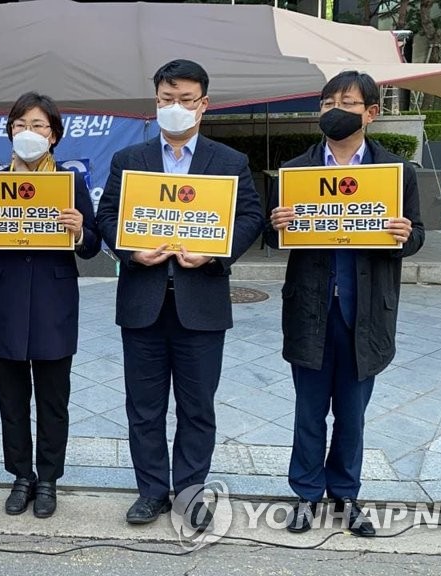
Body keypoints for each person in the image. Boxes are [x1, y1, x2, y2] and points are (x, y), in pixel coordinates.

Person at [96, 59, 263, 527]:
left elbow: (250, 217)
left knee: (197, 407)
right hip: (143, 301)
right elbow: (108, 216)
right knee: (143, 408)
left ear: (203, 105)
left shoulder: (230, 162)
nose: (175, 108)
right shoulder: (129, 161)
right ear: (156, 103)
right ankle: (150, 491)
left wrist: (215, 254)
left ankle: (190, 492)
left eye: (185, 100)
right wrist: (131, 252)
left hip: (202, 303)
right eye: (166, 100)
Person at [267, 71, 423, 536]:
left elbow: (416, 236)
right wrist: (277, 223)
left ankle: (346, 494)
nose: (335, 108)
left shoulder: (396, 174)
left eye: (348, 102)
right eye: (327, 101)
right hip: (311, 309)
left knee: (352, 413)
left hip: (366, 312)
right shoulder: (296, 171)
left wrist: (405, 235)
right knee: (309, 410)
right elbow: (273, 238)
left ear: (371, 113)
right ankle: (306, 493)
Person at [0, 92, 101, 518]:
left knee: (54, 399)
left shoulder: (70, 184)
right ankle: (21, 475)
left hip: (55, 301)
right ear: (9, 133)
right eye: (20, 125)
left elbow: (92, 246)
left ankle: (49, 478)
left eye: (38, 126)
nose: (28, 133)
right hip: (4, 299)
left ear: (54, 135)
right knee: (11, 399)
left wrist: (78, 231)